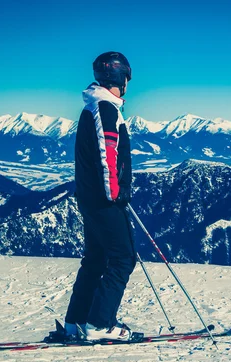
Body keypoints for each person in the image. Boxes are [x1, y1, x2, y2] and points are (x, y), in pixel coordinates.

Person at [64, 51, 136, 341]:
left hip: (91, 197)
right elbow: (108, 155)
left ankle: (77, 322)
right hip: (104, 200)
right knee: (123, 258)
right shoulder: (105, 109)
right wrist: (115, 193)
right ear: (122, 78)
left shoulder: (95, 106)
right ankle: (99, 324)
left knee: (96, 258)